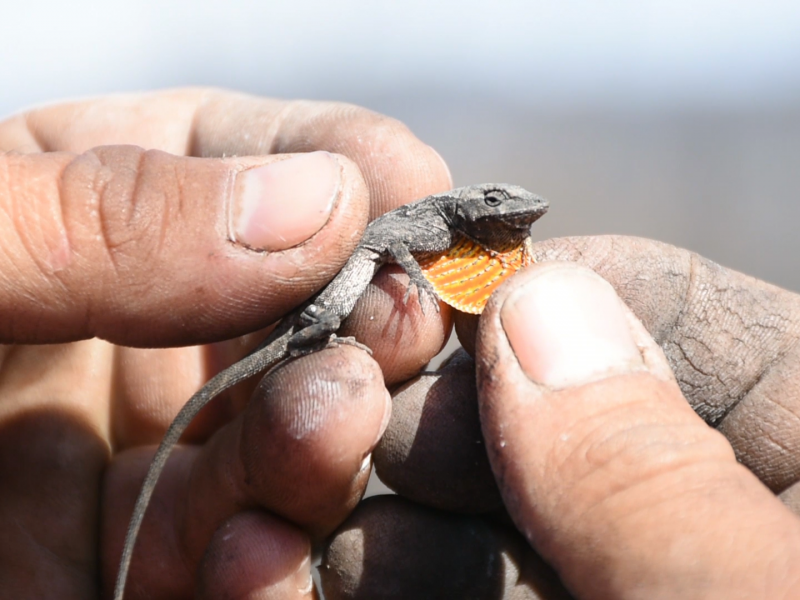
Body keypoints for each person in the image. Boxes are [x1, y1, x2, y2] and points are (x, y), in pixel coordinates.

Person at [1, 88, 798, 599]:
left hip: (337, 312)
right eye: (500, 203)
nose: (513, 209)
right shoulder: (434, 219)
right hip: (320, 315)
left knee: (321, 409)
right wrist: (413, 284)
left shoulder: (452, 219)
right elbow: (392, 248)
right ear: (478, 205)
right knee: (317, 374)